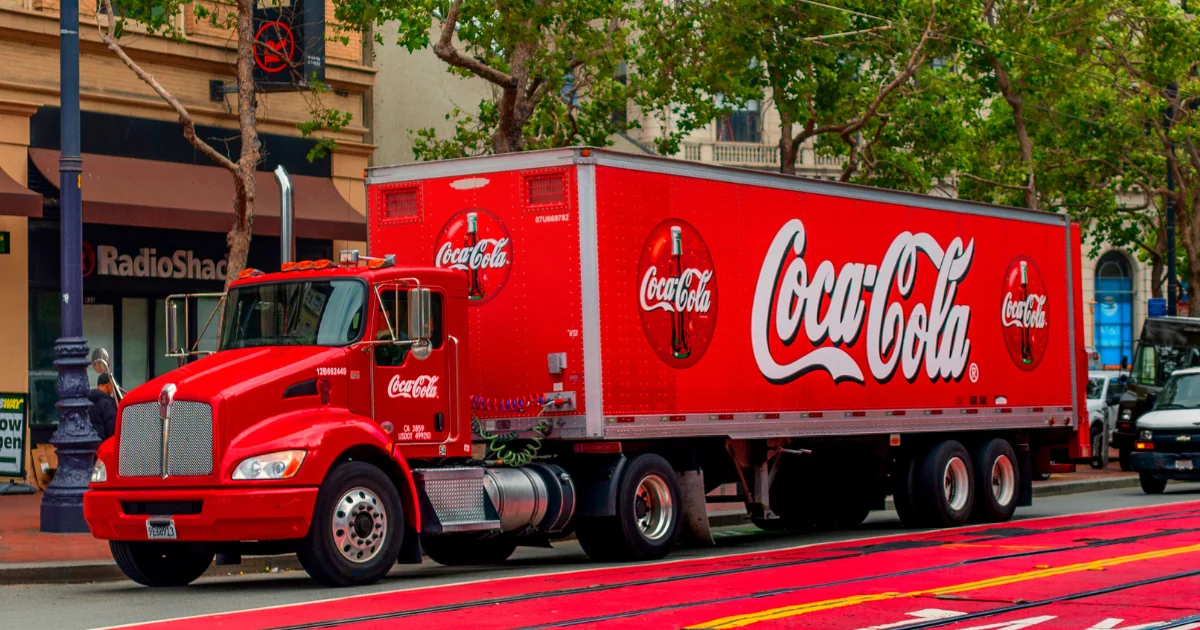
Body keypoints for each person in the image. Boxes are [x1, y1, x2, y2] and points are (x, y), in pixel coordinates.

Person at [88, 374, 118, 441]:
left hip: (92, 442)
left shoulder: (89, 401)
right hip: (105, 444)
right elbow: (112, 428)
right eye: (111, 385)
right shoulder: (107, 404)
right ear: (108, 385)